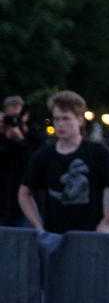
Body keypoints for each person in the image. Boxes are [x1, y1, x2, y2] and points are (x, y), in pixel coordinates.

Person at [18, 90, 109, 234]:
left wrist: (106, 222)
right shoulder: (43, 155)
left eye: (66, 118)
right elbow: (24, 192)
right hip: (54, 236)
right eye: (56, 119)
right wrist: (38, 226)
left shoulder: (96, 152)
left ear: (80, 120)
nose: (60, 124)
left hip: (89, 236)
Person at [1, 95, 44, 228]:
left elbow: (37, 165)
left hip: (28, 208)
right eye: (10, 117)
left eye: (17, 116)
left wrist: (20, 141)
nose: (14, 121)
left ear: (26, 116)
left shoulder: (36, 136)